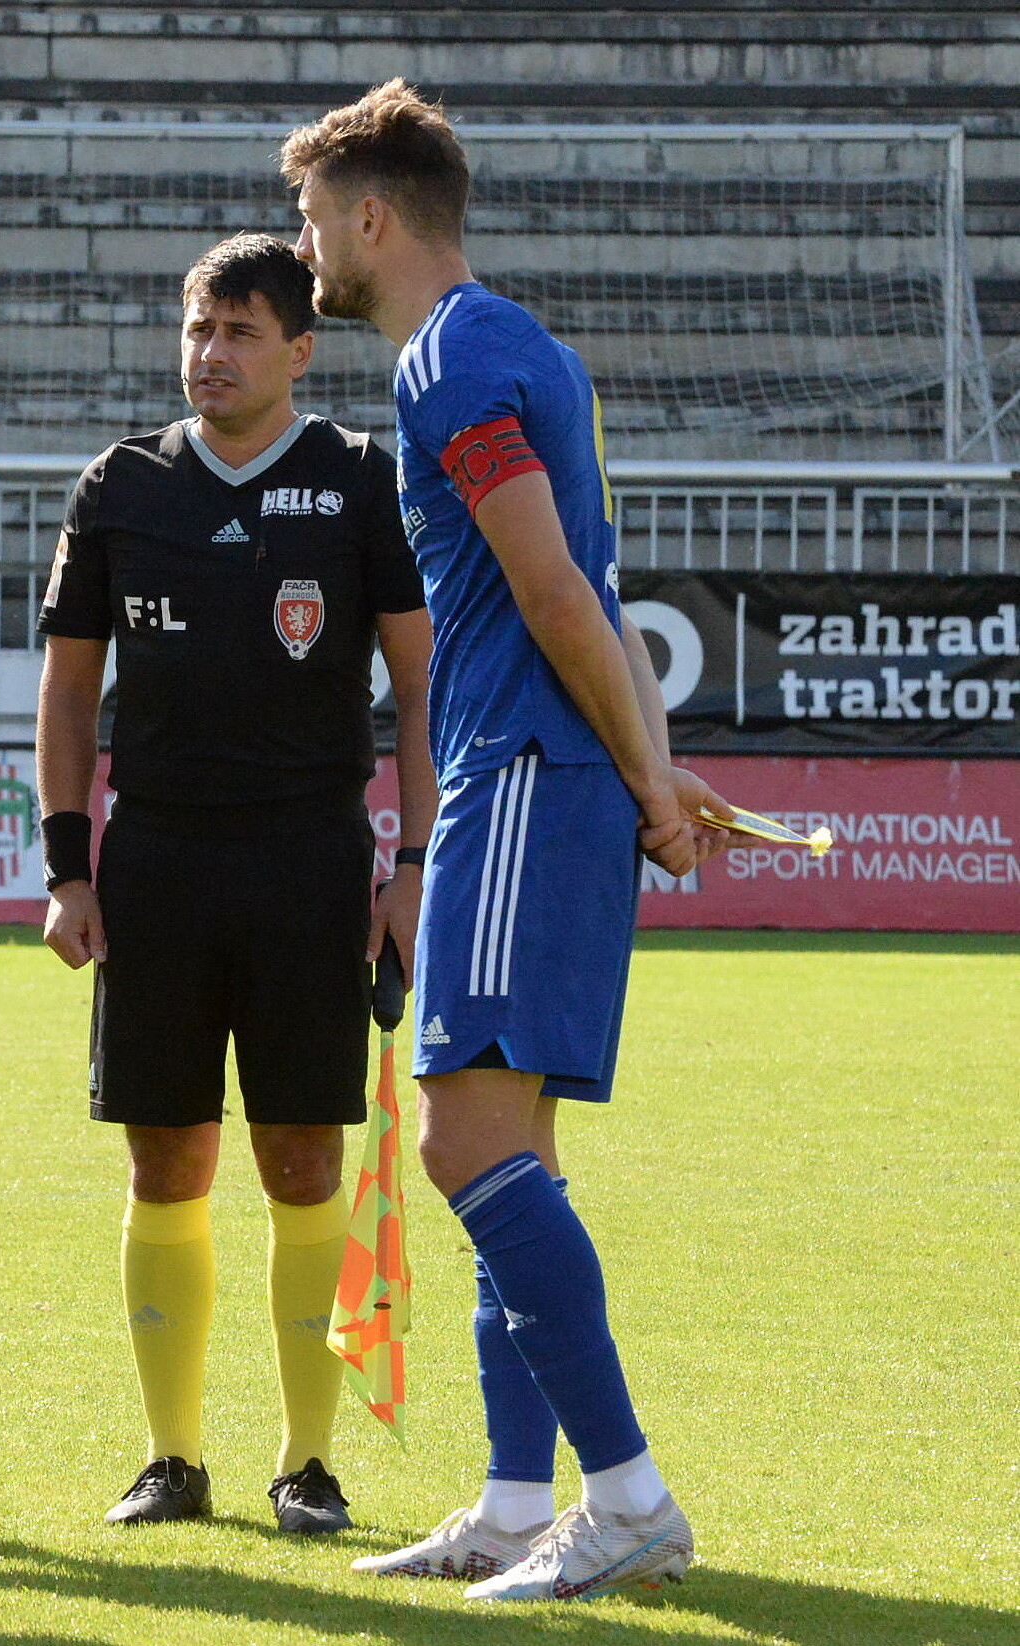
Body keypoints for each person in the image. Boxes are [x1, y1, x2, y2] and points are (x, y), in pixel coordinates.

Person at [282, 80, 733, 1601]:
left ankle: (627, 1498)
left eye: (311, 219)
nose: (305, 249)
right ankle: (511, 1498)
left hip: (519, 778)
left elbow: (548, 590)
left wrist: (647, 779)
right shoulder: (530, 346)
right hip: (562, 771)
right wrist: (652, 767)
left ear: (371, 216)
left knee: (463, 1141)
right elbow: (596, 591)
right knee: (513, 1146)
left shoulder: (449, 357)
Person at [36, 233, 437, 1535]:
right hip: (154, 860)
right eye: (197, 331)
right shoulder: (120, 485)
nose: (210, 355)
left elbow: (420, 684)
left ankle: (307, 1463)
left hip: (309, 859)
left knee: (302, 1157)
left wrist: (414, 865)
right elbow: (68, 690)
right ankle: (172, 1457)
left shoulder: (358, 478)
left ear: (299, 351)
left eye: (240, 333)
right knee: (165, 1158)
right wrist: (68, 865)